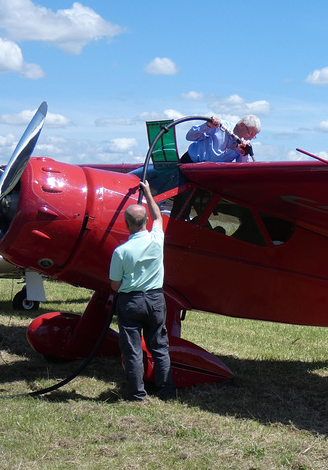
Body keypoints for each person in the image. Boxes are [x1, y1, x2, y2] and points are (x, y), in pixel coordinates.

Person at [109, 180, 176, 401]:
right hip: (156, 300)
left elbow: (114, 285)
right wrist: (148, 192)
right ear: (145, 221)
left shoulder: (120, 252)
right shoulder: (157, 239)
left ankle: (137, 394)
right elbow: (158, 217)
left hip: (130, 302)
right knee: (159, 348)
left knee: (133, 350)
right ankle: (166, 390)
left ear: (126, 223)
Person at [181, 115, 261, 163]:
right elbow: (189, 137)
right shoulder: (218, 125)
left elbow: (242, 167)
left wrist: (244, 153)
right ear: (242, 125)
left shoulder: (244, 143)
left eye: (253, 136)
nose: (250, 138)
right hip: (190, 163)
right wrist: (207, 126)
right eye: (250, 134)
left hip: (210, 173)